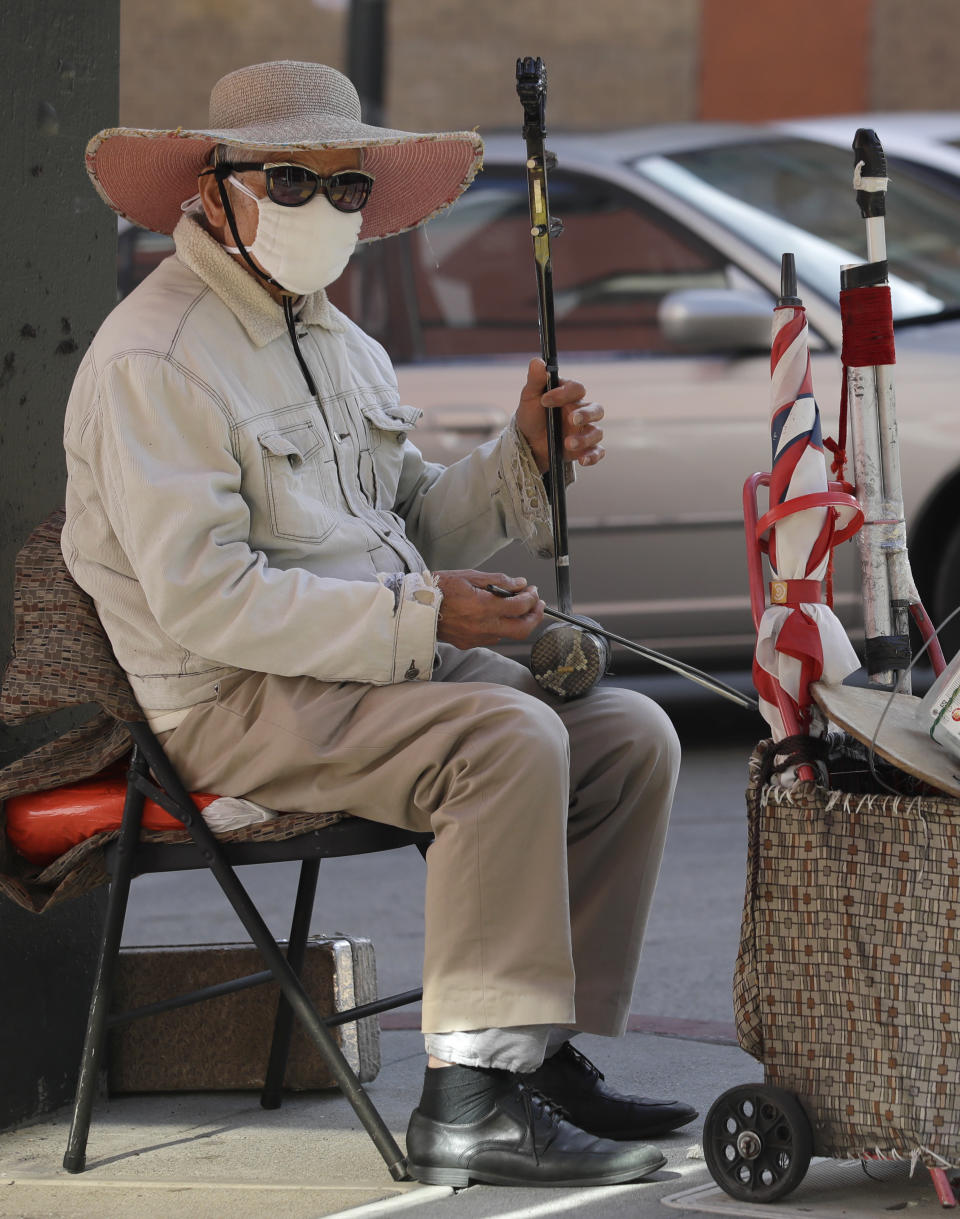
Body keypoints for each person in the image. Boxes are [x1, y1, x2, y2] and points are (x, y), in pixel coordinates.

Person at [63, 60, 693, 1188]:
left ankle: (533, 1057)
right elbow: (207, 602)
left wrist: (518, 466)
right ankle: (464, 1103)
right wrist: (424, 616)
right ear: (215, 189)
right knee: (507, 740)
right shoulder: (153, 360)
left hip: (360, 671)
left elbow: (408, 525)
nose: (324, 211)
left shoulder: (339, 341)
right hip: (229, 696)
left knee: (630, 736)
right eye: (290, 183)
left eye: (346, 189)